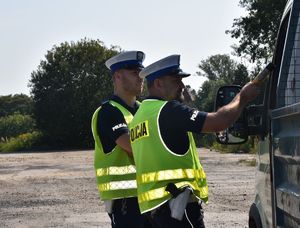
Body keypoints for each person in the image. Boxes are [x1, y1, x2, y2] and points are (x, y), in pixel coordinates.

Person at [129, 55, 260, 228]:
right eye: (177, 81)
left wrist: (188, 106)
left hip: (153, 210)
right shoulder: (168, 110)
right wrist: (242, 97)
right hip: (177, 208)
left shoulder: (139, 116)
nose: (182, 87)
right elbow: (219, 122)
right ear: (159, 83)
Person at [91, 51, 150, 228]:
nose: (141, 78)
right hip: (126, 200)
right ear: (117, 76)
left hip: (151, 195)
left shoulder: (144, 109)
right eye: (134, 73)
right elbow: (132, 146)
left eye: (141, 73)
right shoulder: (109, 112)